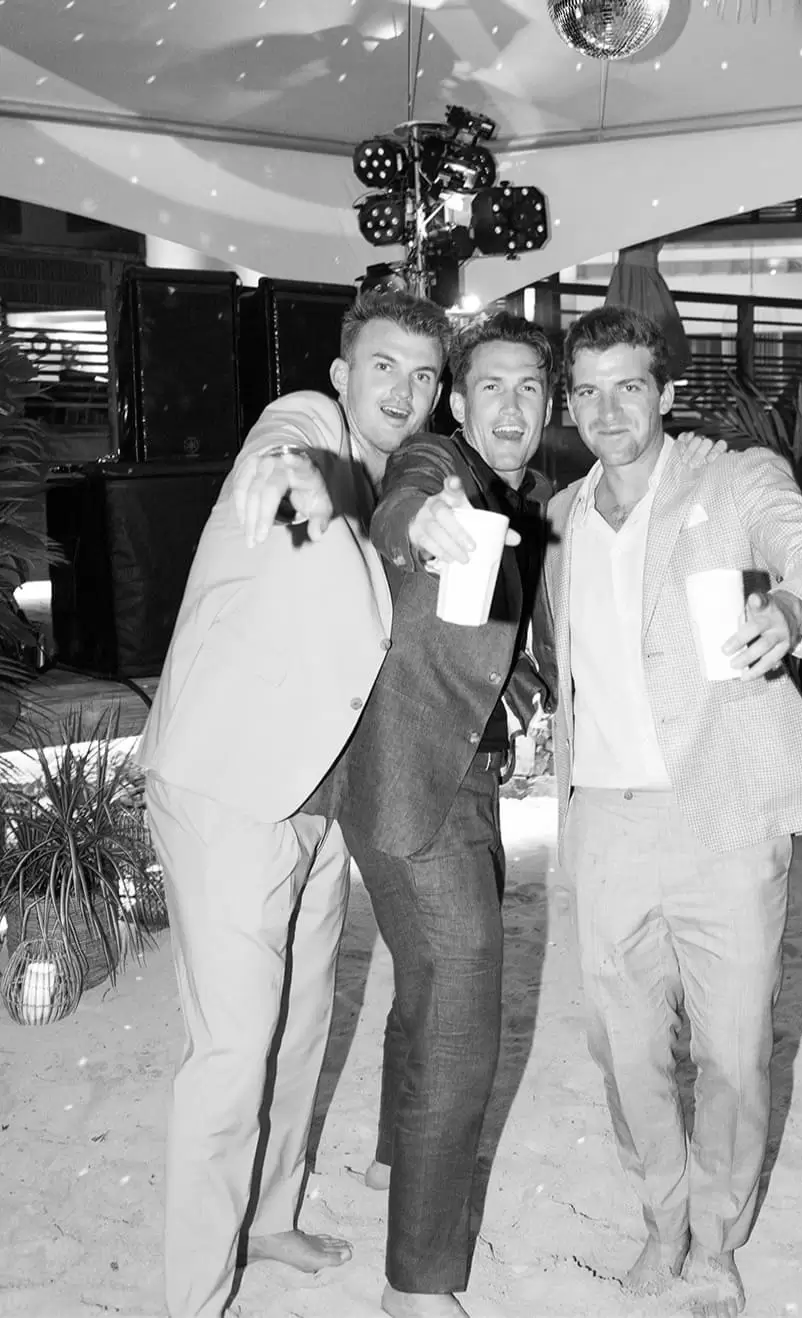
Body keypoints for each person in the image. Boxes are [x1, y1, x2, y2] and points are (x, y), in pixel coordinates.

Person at [546, 306, 802, 1318]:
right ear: (569, 403)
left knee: (731, 1048)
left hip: (722, 817)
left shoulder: (732, 481)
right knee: (623, 1046)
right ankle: (663, 1216)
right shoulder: (559, 517)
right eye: (588, 390)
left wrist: (795, 607)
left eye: (628, 386)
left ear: (666, 393)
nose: (608, 410)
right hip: (604, 819)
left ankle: (716, 1239)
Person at [137, 289, 452, 1318]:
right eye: (384, 366)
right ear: (342, 373)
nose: (403, 390)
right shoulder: (301, 427)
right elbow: (280, 479)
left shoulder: (396, 474)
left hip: (318, 795)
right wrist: (354, 498)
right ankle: (193, 1296)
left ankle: (268, 1217)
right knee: (233, 1050)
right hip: (232, 783)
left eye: (423, 374)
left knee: (302, 1020)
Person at [330, 310, 556, 1318]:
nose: (511, 405)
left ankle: (393, 1156)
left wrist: (523, 692)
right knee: (464, 1011)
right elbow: (405, 503)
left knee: (431, 983)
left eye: (529, 388)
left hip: (459, 769)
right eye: (490, 386)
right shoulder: (439, 467)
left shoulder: (524, 497)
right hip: (408, 776)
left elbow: (492, 633)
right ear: (458, 403)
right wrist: (417, 521)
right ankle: (415, 1287)